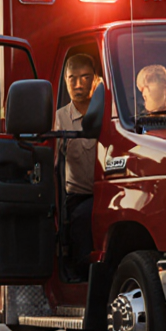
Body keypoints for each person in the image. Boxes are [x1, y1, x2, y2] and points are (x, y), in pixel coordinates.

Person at [55, 53, 102, 279]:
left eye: (85, 78)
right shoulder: (59, 118)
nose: (78, 84)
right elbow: (51, 162)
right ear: (65, 80)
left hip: (110, 195)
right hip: (79, 200)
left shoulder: (109, 112)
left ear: (96, 80)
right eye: (72, 78)